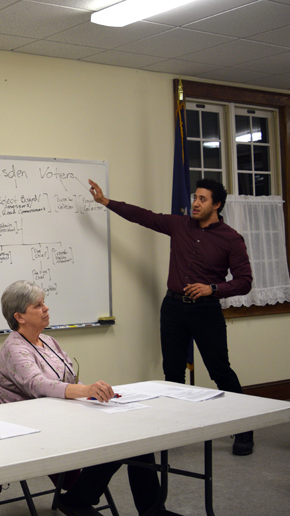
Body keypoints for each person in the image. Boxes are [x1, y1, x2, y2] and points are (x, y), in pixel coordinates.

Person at [88, 178, 254, 456]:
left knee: (220, 371)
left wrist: (212, 288)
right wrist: (106, 202)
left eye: (203, 199)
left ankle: (245, 429)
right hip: (174, 308)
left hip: (206, 310)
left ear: (217, 204)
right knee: (172, 372)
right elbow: (144, 217)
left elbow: (245, 281)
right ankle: (176, 428)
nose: (196, 203)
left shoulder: (230, 238)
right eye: (195, 198)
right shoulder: (180, 225)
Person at [0, 280, 169, 516]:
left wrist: (91, 393)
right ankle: (79, 499)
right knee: (121, 438)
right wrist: (86, 390)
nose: (46, 308)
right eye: (37, 305)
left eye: (44, 303)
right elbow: (38, 384)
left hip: (62, 414)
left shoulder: (48, 341)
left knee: (137, 438)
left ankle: (150, 510)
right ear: (20, 316)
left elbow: (68, 378)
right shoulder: (14, 348)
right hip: (33, 425)